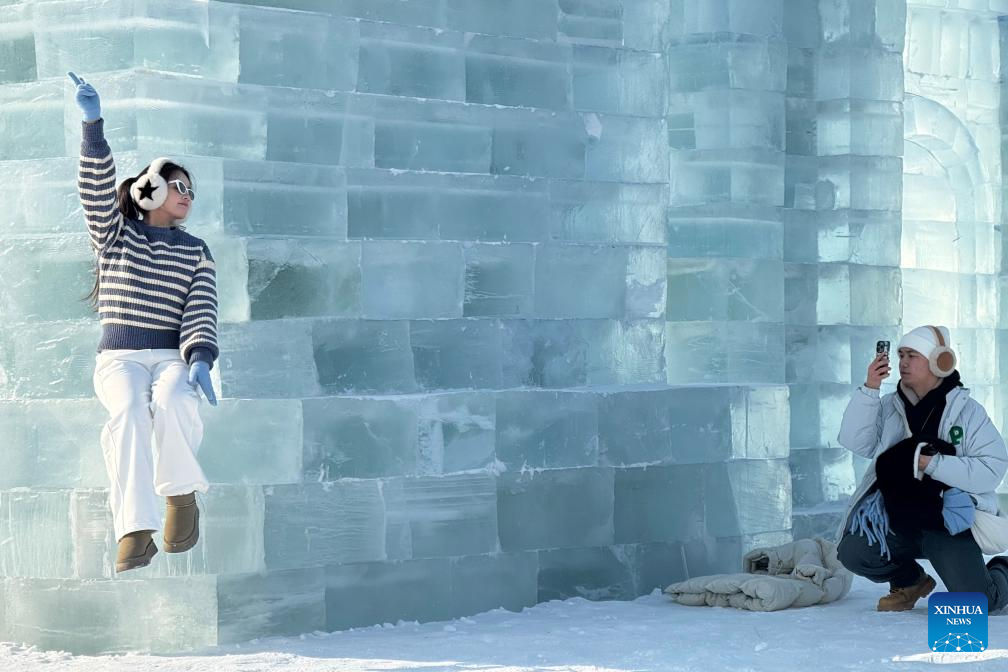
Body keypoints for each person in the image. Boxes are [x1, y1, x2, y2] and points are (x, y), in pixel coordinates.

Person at [71, 71, 219, 573]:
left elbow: (200, 308)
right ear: (151, 191)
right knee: (129, 415)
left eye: (191, 191)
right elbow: (94, 192)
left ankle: (181, 497)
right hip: (120, 358)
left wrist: (199, 357)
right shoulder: (116, 236)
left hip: (172, 355)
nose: (187, 196)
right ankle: (134, 527)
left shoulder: (197, 251)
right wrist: (94, 127)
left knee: (174, 399)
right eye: (178, 186)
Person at [834, 325, 1008, 612]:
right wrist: (870, 389)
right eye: (901, 354)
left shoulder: (969, 413)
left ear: (940, 361)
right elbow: (856, 442)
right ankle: (911, 580)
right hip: (898, 518)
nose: (903, 362)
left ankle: (1002, 571)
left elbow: (991, 469)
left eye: (912, 355)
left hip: (947, 523)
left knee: (979, 602)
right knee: (853, 553)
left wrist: (929, 463)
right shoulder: (890, 406)